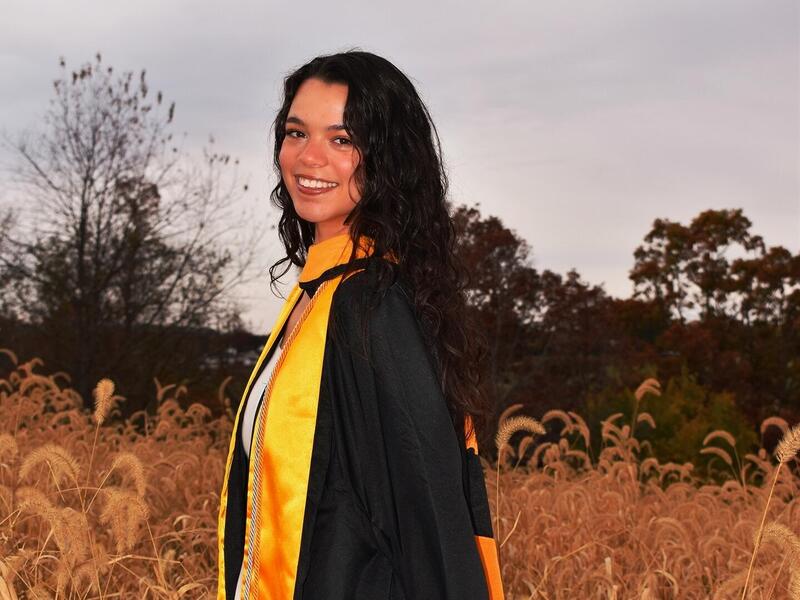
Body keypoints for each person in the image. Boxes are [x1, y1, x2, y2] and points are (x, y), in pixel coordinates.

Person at [216, 49, 505, 600]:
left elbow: (429, 520)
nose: (310, 158)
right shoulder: (319, 295)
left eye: (342, 140)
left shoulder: (371, 307)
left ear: (388, 159)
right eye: (296, 133)